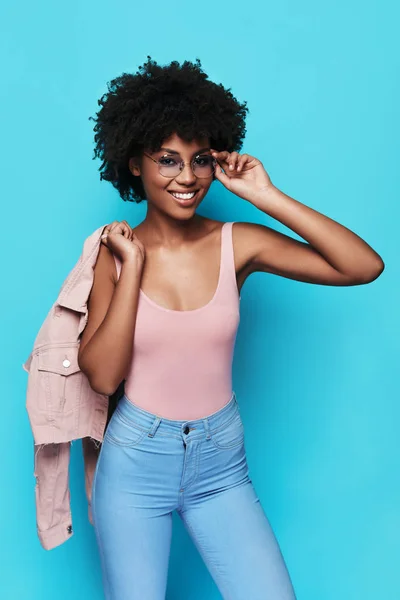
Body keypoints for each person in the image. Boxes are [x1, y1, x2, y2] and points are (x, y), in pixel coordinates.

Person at [78, 56, 384, 599]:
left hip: (221, 464)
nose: (187, 177)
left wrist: (265, 196)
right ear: (133, 163)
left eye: (199, 160)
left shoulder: (236, 242)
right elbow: (101, 377)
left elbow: (362, 267)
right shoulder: (115, 252)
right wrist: (132, 272)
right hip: (135, 464)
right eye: (167, 160)